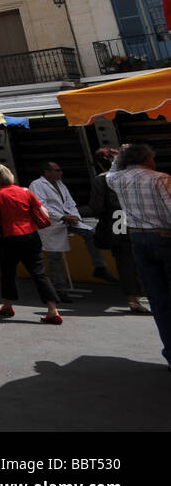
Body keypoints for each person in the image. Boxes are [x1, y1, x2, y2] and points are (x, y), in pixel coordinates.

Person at [105, 143, 171, 369]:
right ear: (147, 159)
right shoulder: (160, 178)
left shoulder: (118, 180)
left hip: (137, 239)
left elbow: (111, 173)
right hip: (164, 237)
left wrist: (119, 156)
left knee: (158, 298)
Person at [0, 163, 63, 324]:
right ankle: (52, 309)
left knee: (7, 272)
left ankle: (7, 305)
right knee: (39, 273)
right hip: (30, 236)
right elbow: (44, 212)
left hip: (7, 238)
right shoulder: (25, 191)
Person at [29, 161, 112, 299]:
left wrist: (75, 217)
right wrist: (62, 217)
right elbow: (41, 207)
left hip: (68, 220)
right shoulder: (37, 185)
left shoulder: (60, 184)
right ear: (47, 172)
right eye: (57, 170)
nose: (60, 173)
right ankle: (60, 289)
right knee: (55, 257)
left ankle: (100, 267)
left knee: (91, 234)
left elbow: (70, 203)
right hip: (52, 224)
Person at [88, 148, 148, 314]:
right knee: (144, 257)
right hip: (140, 219)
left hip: (118, 221)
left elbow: (97, 207)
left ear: (100, 164)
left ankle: (132, 299)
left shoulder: (102, 179)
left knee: (125, 260)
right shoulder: (133, 177)